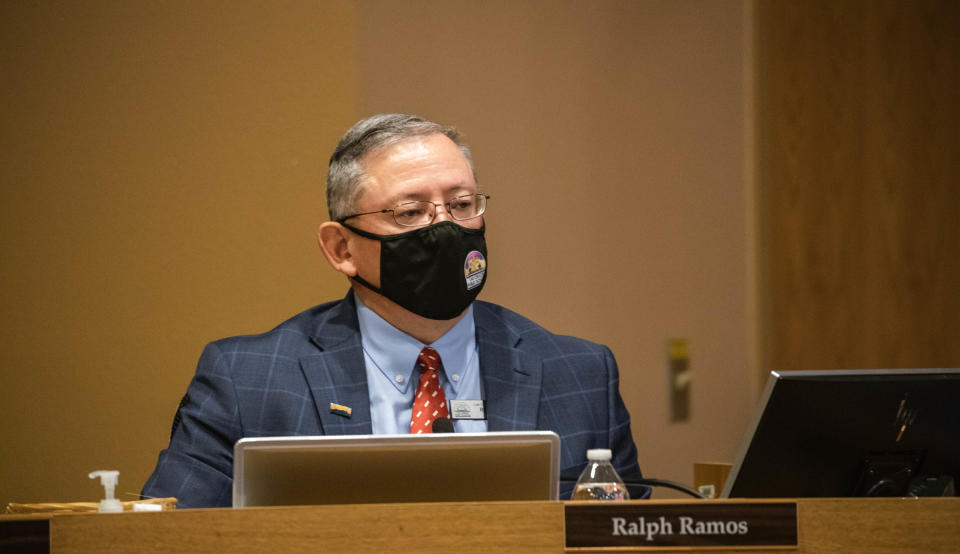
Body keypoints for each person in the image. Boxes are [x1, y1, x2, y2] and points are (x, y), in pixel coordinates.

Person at [142, 114, 642, 506]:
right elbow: (168, 545)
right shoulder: (246, 381)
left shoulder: (578, 374)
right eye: (410, 213)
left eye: (463, 204)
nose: (446, 227)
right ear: (341, 248)